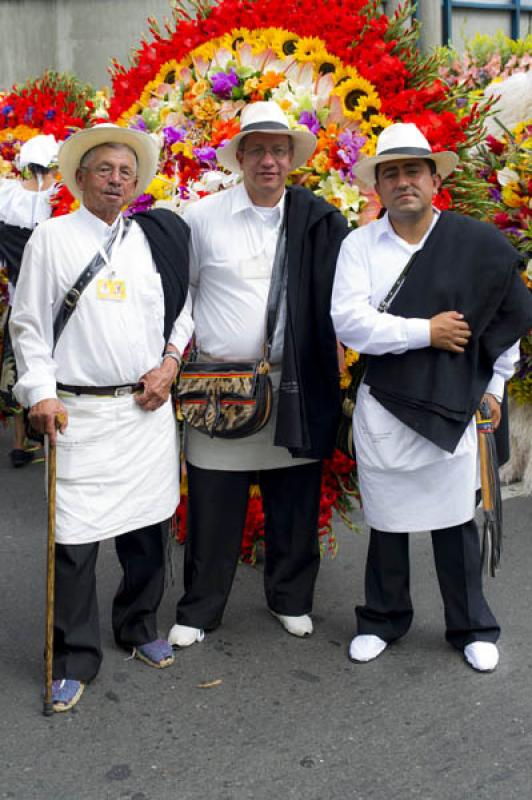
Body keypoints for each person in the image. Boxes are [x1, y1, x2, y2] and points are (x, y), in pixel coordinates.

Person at [331, 123, 532, 673]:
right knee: (388, 522)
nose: (402, 182)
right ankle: (382, 618)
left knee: (453, 522)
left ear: (435, 178)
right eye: (390, 173)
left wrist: (492, 388)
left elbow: (507, 320)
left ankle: (471, 625)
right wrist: (427, 331)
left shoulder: (476, 244)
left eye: (412, 170)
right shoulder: (359, 246)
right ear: (377, 185)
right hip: (385, 407)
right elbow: (350, 323)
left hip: (455, 406)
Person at [10, 124, 193, 711]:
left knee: (147, 529)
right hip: (78, 414)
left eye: (125, 172)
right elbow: (29, 325)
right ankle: (73, 656)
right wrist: (39, 391)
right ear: (81, 177)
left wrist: (169, 363)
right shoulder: (52, 237)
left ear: (136, 183)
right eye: (104, 170)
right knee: (76, 541)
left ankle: (139, 627)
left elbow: (181, 309)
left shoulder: (151, 240)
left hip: (144, 412)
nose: (115, 180)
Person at [168, 101, 348, 648]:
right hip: (219, 389)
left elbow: (342, 297)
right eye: (258, 150)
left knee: (293, 501)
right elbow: (186, 297)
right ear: (240, 156)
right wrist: (174, 357)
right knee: (212, 507)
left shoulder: (318, 219)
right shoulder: (203, 217)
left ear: (291, 157)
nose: (268, 160)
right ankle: (199, 610)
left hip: (294, 383)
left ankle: (291, 599)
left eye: (278, 149)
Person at [0, 134, 58, 467]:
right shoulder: (58, 200)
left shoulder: (7, 197)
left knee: (19, 366)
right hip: (54, 302)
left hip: (19, 297)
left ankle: (20, 443)